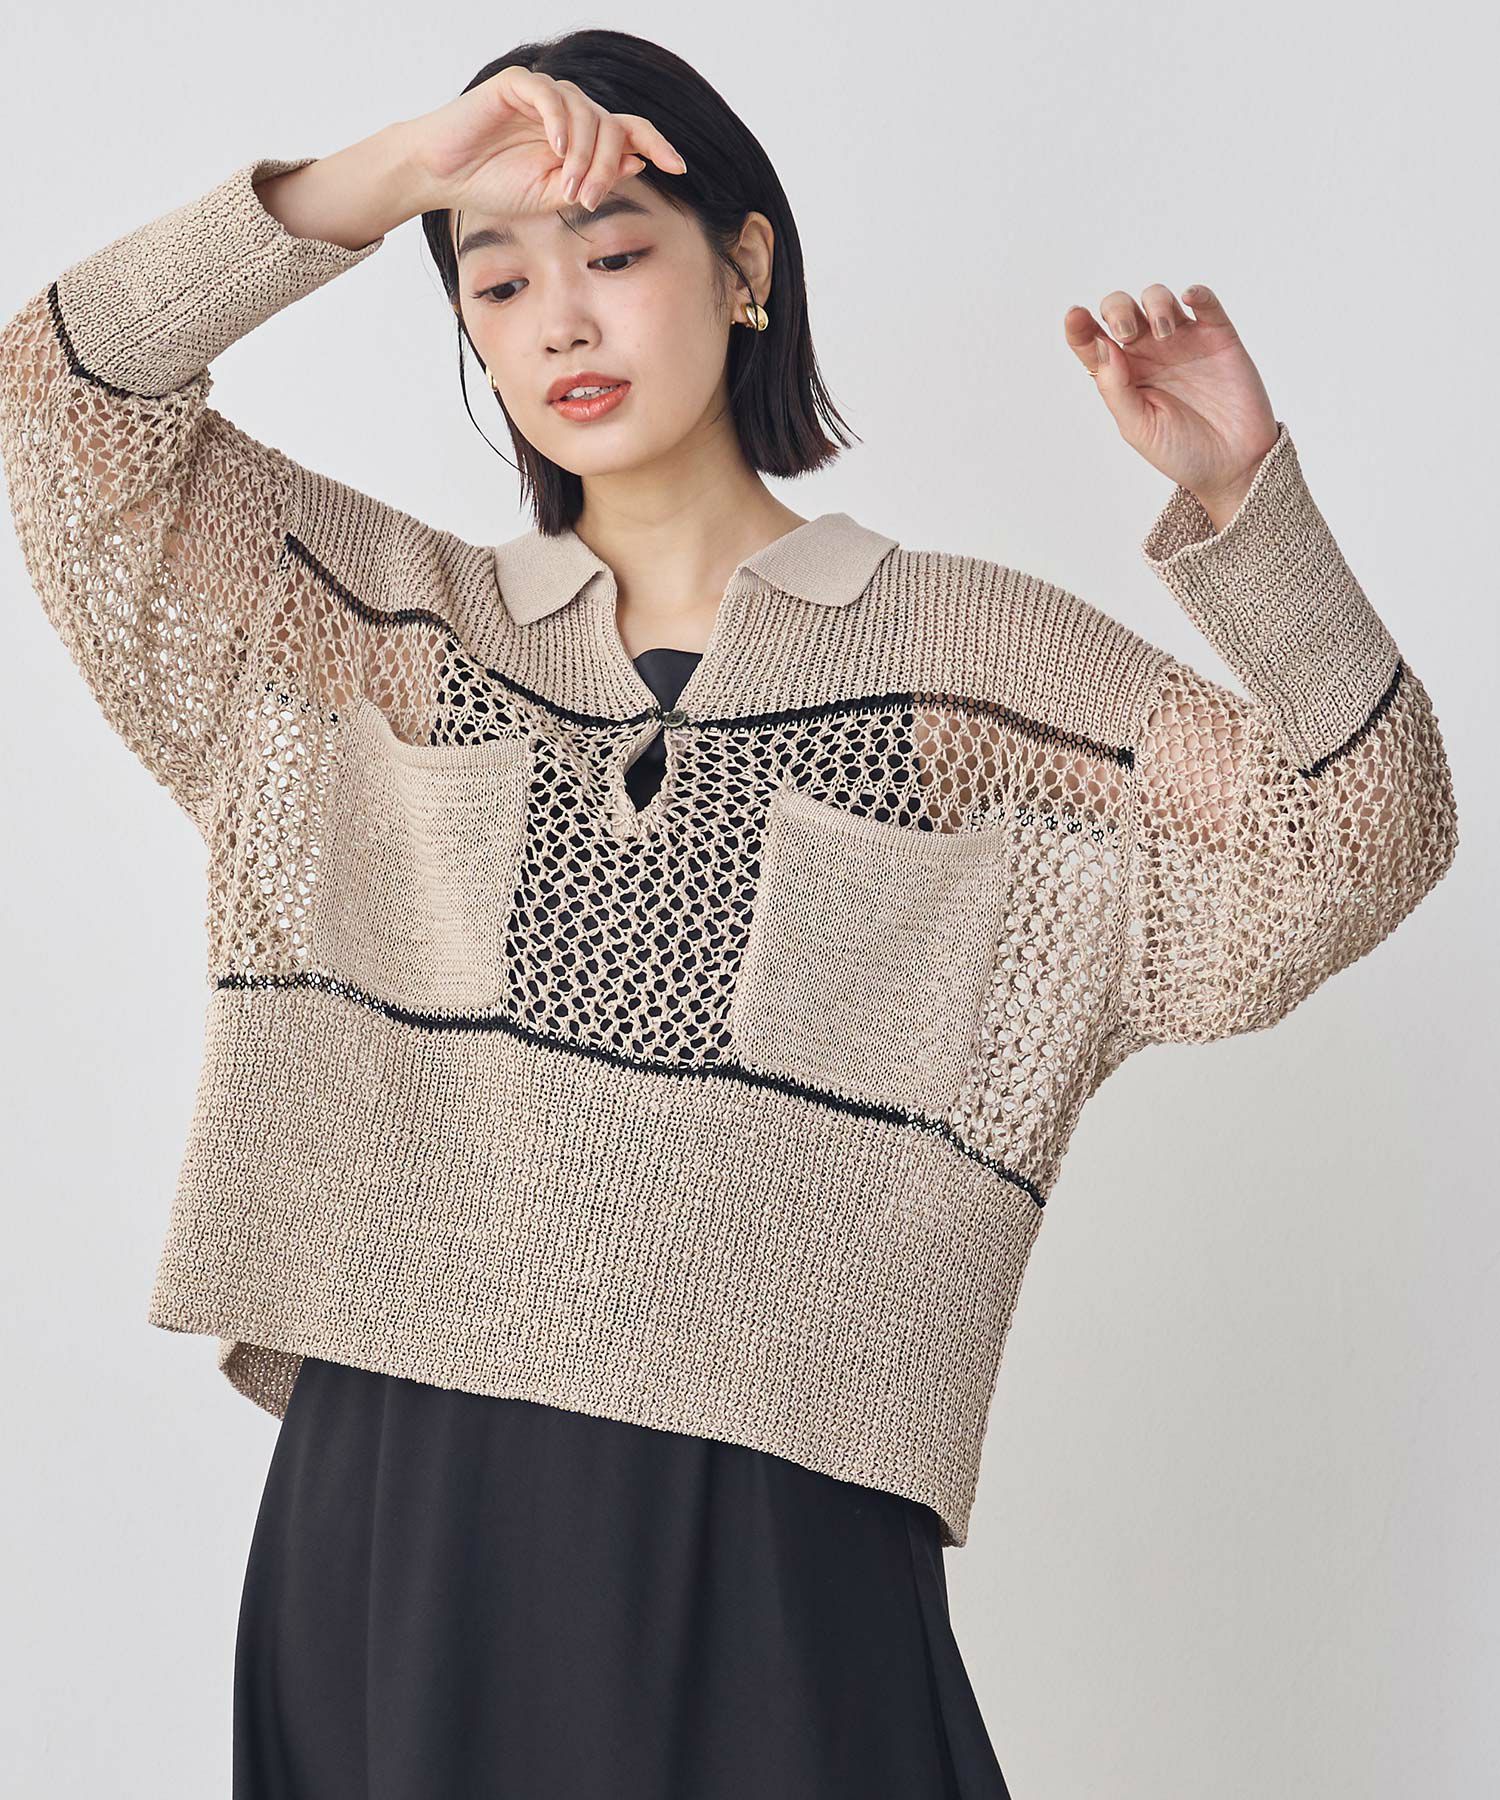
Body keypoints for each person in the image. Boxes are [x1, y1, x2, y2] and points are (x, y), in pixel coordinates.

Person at [0, 27, 1458, 1800]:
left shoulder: (962, 666)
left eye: (614, 255)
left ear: (743, 266)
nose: (560, 322)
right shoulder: (385, 634)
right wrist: (388, 177)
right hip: (408, 1515)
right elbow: (58, 398)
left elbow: (1357, 834)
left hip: (775, 1534)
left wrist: (1245, 500)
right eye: (498, 280)